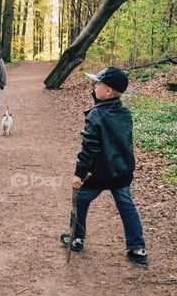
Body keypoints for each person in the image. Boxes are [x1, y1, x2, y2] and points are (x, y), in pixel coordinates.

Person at [60, 66, 148, 267]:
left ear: (108, 91)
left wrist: (79, 174)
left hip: (98, 174)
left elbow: (89, 148)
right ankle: (137, 247)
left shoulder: (95, 115)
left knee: (80, 199)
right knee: (127, 207)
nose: (93, 86)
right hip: (121, 172)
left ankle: (77, 238)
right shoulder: (124, 112)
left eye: (97, 84)